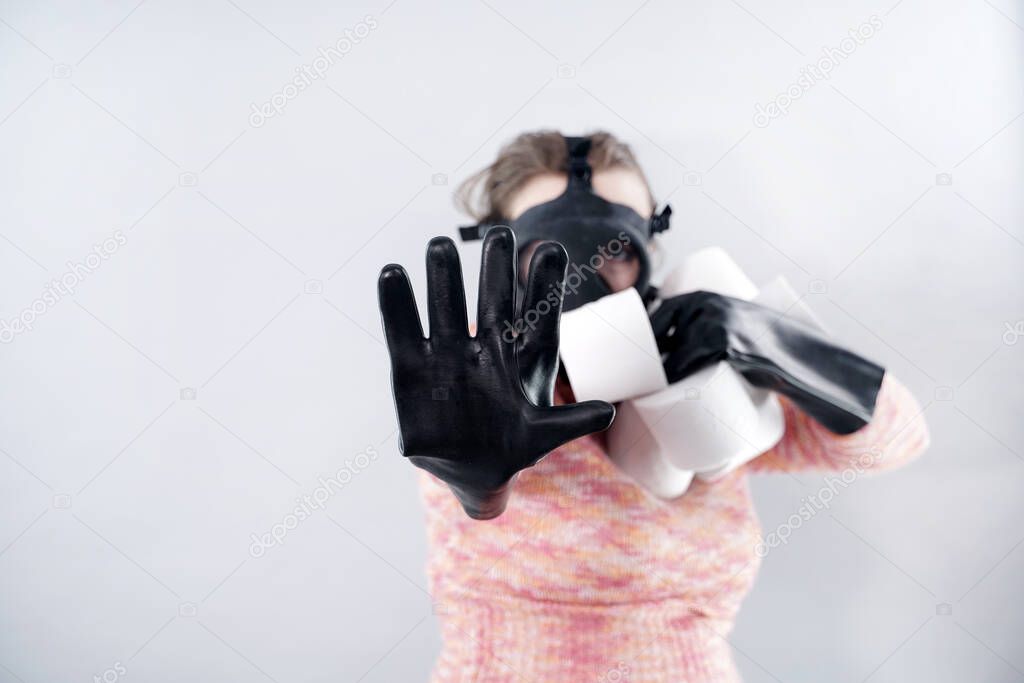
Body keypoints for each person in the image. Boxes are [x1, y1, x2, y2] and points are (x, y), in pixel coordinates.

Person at [377, 130, 930, 682]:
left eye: (615, 248)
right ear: (503, 254)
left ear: (650, 246)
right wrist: (480, 487)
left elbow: (896, 441)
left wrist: (773, 345)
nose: (586, 275)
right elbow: (476, 523)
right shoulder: (467, 376)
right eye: (556, 253)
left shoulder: (694, 359)